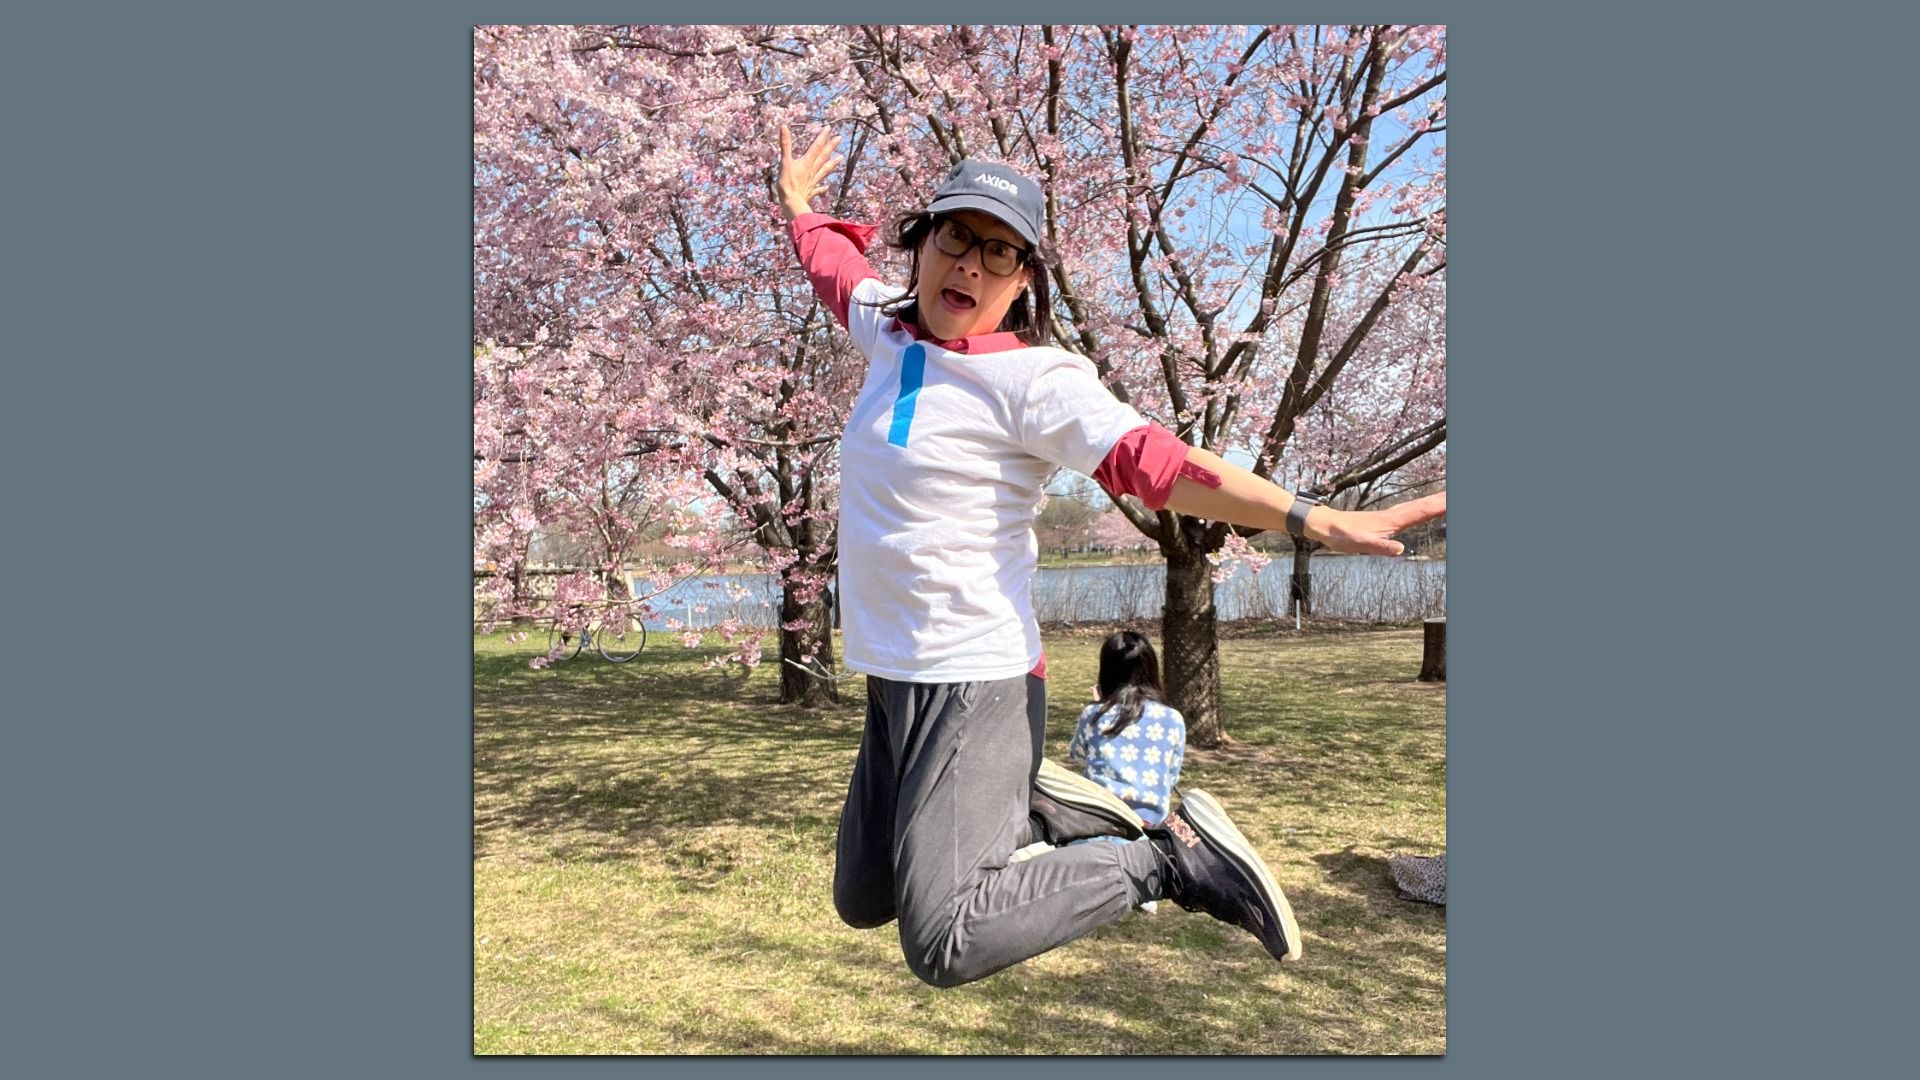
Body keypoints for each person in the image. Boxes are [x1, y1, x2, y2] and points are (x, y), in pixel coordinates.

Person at [774, 124, 1444, 986]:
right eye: (957, 237)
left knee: (944, 938)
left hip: (972, 676)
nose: (971, 266)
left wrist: (1313, 519)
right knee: (865, 894)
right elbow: (833, 271)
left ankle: (1171, 858)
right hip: (892, 674)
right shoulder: (886, 331)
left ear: (1022, 284)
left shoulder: (1034, 381)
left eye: (1001, 254)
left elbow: (1159, 466)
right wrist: (801, 208)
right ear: (925, 240)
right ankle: (1031, 799)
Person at [1067, 630, 1185, 829]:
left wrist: (1098, 709)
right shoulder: (1173, 719)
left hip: (1098, 823)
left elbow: (1079, 755)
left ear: (1106, 672)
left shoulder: (1093, 715)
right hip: (1151, 829)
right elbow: (1171, 776)